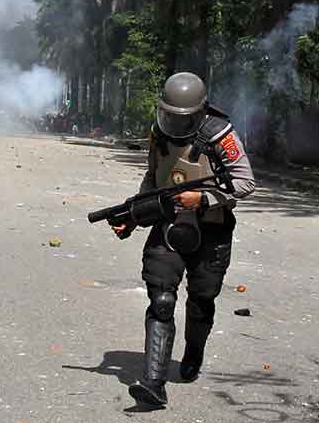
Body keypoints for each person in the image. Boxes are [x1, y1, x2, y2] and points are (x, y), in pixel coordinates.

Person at [112, 72, 255, 407]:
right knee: (161, 300)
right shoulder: (158, 134)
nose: (174, 124)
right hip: (168, 226)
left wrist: (203, 199)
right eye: (169, 116)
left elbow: (245, 183)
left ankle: (194, 351)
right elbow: (154, 178)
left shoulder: (221, 135)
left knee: (202, 298)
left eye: (182, 119)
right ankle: (153, 383)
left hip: (211, 229)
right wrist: (133, 218)